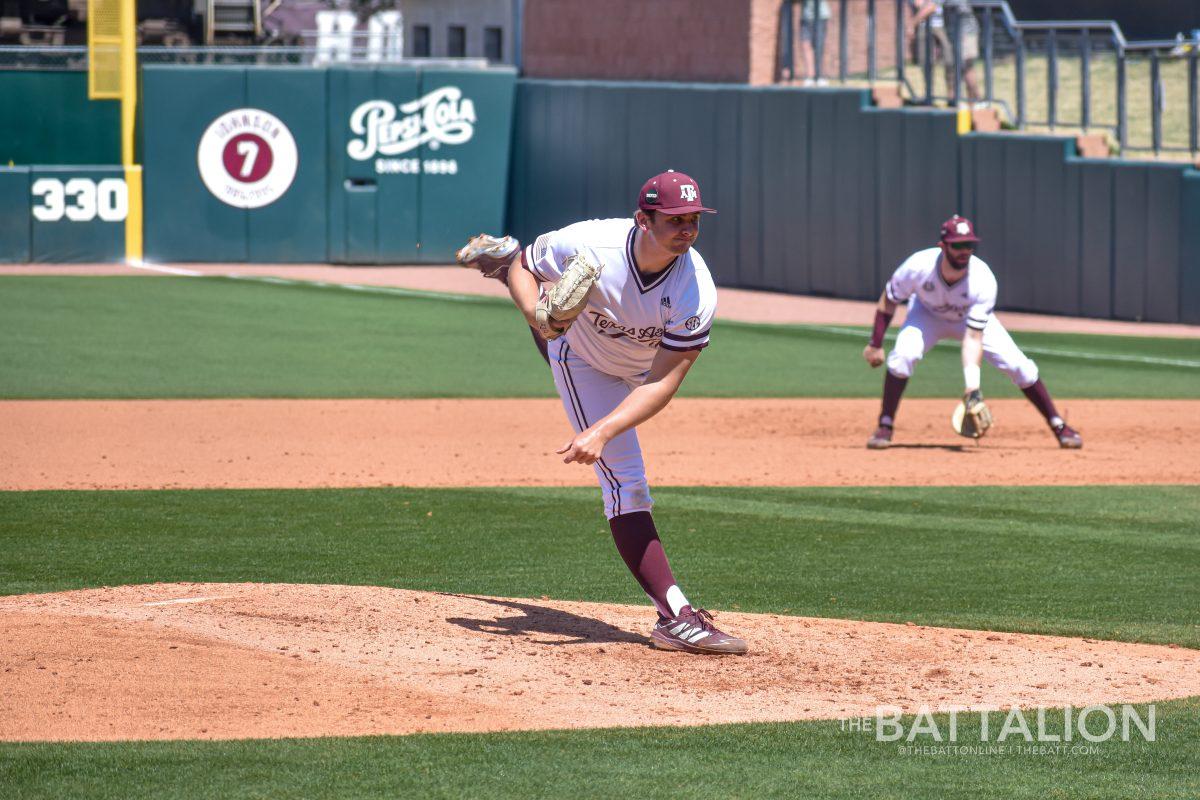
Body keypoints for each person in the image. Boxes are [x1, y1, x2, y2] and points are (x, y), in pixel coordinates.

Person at [456, 170, 748, 656]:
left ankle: (502, 260)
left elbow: (662, 381)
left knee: (603, 413)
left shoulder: (697, 288)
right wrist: (537, 314)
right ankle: (675, 616)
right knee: (626, 481)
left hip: (640, 374)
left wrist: (603, 429)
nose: (687, 229)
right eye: (674, 219)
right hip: (585, 360)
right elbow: (532, 267)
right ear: (643, 219)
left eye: (693, 219)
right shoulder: (590, 243)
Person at [862, 215, 1083, 450]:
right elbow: (889, 300)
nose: (964, 250)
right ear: (943, 246)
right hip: (926, 314)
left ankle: (1058, 425)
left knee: (1020, 366)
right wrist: (876, 343)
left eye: (969, 244)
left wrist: (972, 387)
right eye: (957, 245)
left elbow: (973, 337)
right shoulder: (918, 266)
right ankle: (885, 425)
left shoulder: (983, 278)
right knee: (903, 356)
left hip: (970, 320)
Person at [910, 0, 983, 103]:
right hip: (956, 33)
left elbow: (931, 7)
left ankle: (976, 101)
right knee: (956, 67)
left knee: (967, 68)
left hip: (965, 32)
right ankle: (959, 100)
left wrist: (912, 24)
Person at [799, 0, 832, 86]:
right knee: (806, 45)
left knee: (820, 47)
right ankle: (810, 76)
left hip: (820, 16)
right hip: (806, 16)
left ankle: (820, 75)